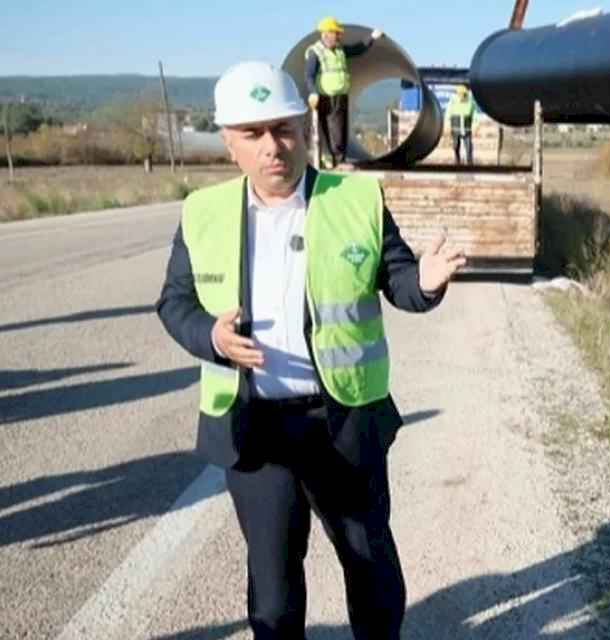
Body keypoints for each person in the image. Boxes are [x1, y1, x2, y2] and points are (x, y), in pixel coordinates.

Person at [156, 60, 465, 639]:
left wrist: (425, 282)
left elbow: (399, 280)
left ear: (304, 127)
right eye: (252, 133)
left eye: (283, 129)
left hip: (341, 422)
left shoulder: (355, 200)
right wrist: (212, 338)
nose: (271, 146)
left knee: (369, 564)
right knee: (273, 591)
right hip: (256, 429)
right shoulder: (202, 213)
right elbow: (175, 303)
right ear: (229, 142)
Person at [305, 17, 382, 168]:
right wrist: (313, 92)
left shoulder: (340, 50)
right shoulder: (315, 52)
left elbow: (358, 49)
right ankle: (337, 161)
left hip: (341, 95)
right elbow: (309, 75)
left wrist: (372, 37)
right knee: (333, 130)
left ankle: (338, 159)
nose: (339, 36)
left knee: (341, 129)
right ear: (326, 34)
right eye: (336, 33)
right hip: (326, 97)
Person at [445, 85, 476, 165]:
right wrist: (447, 126)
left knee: (468, 146)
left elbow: (475, 115)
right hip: (456, 128)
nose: (461, 96)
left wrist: (476, 126)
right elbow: (448, 114)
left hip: (466, 128)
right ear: (457, 94)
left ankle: (469, 162)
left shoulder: (470, 102)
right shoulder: (452, 102)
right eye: (460, 94)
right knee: (456, 145)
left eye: (463, 94)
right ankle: (457, 160)